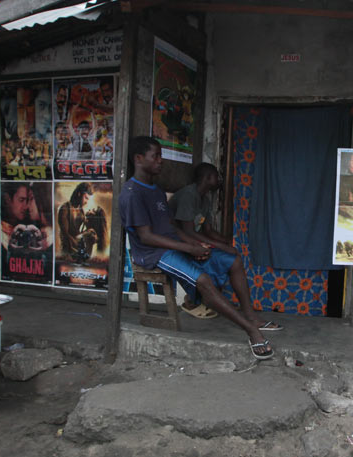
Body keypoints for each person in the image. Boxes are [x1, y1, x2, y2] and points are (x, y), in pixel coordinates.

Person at [119, 136, 280, 360]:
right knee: (204, 280)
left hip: (173, 246)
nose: (160, 161)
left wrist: (194, 244)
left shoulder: (156, 190)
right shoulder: (132, 193)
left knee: (233, 261)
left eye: (160, 156)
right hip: (153, 253)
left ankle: (250, 315)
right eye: (155, 156)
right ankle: (251, 330)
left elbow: (171, 228)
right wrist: (187, 248)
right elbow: (146, 237)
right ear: (138, 159)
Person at [169, 163, 235, 318]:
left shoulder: (204, 199)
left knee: (227, 256)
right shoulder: (188, 195)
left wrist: (227, 242)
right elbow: (188, 232)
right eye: (216, 176)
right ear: (208, 178)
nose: (219, 180)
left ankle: (209, 300)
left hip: (191, 241)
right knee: (211, 258)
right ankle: (194, 300)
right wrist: (219, 246)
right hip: (177, 243)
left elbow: (208, 231)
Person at [57, 182, 104, 264]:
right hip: (68, 244)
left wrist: (92, 219)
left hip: (78, 243)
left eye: (88, 199)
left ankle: (86, 257)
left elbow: (83, 229)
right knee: (89, 233)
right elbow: (65, 234)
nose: (86, 202)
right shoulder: (65, 208)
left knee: (91, 232)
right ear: (79, 194)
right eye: (86, 198)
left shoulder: (81, 211)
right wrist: (78, 244)